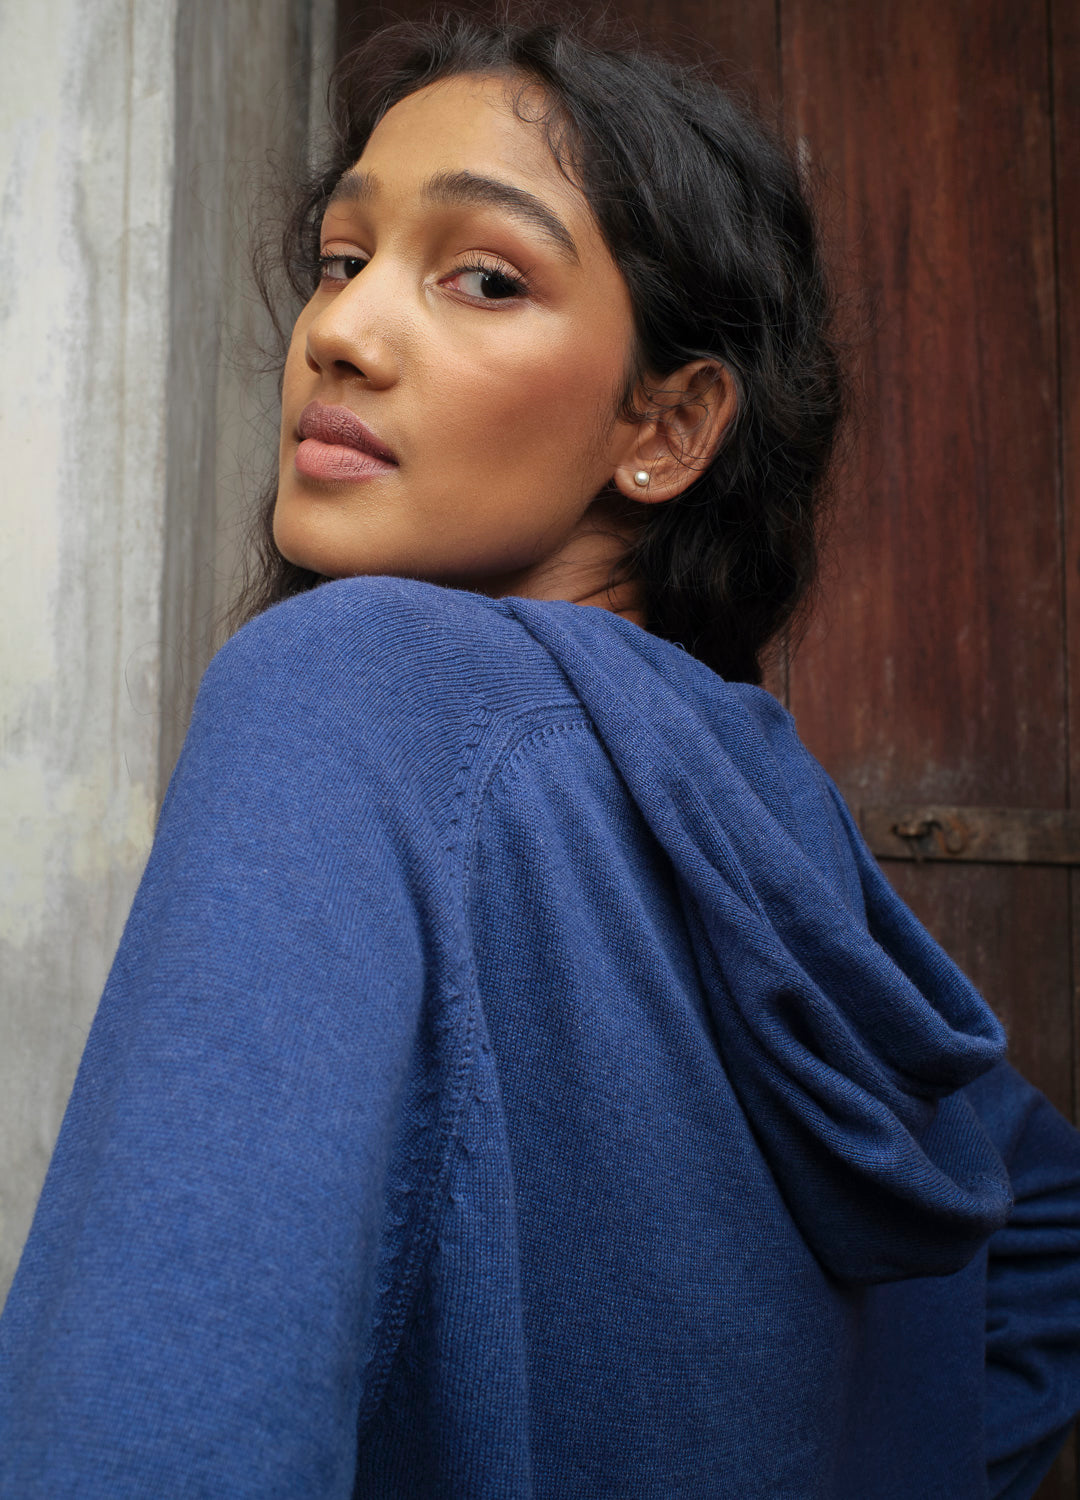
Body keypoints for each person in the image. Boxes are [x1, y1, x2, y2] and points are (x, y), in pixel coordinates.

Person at [2, 11, 1079, 1498]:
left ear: (669, 424)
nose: (339, 331)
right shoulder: (771, 815)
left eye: (486, 278)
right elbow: (1043, 1216)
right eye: (341, 256)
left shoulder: (347, 684)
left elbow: (150, 1423)